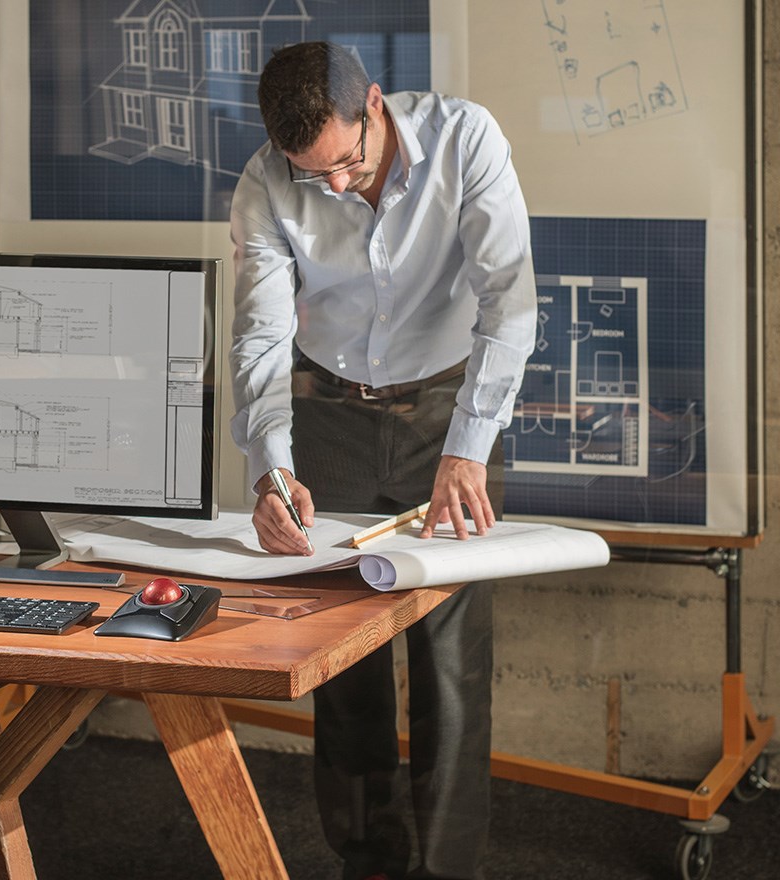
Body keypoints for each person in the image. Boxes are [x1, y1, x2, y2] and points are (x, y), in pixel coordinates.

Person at [228, 42, 537, 879]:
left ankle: (447, 871)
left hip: (449, 414)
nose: (334, 186)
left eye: (346, 162)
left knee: (450, 668)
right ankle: (366, 861)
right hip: (327, 414)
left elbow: (510, 304)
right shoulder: (265, 180)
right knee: (342, 662)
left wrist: (468, 450)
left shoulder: (466, 139)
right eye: (310, 173)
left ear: (372, 104)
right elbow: (261, 333)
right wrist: (271, 467)